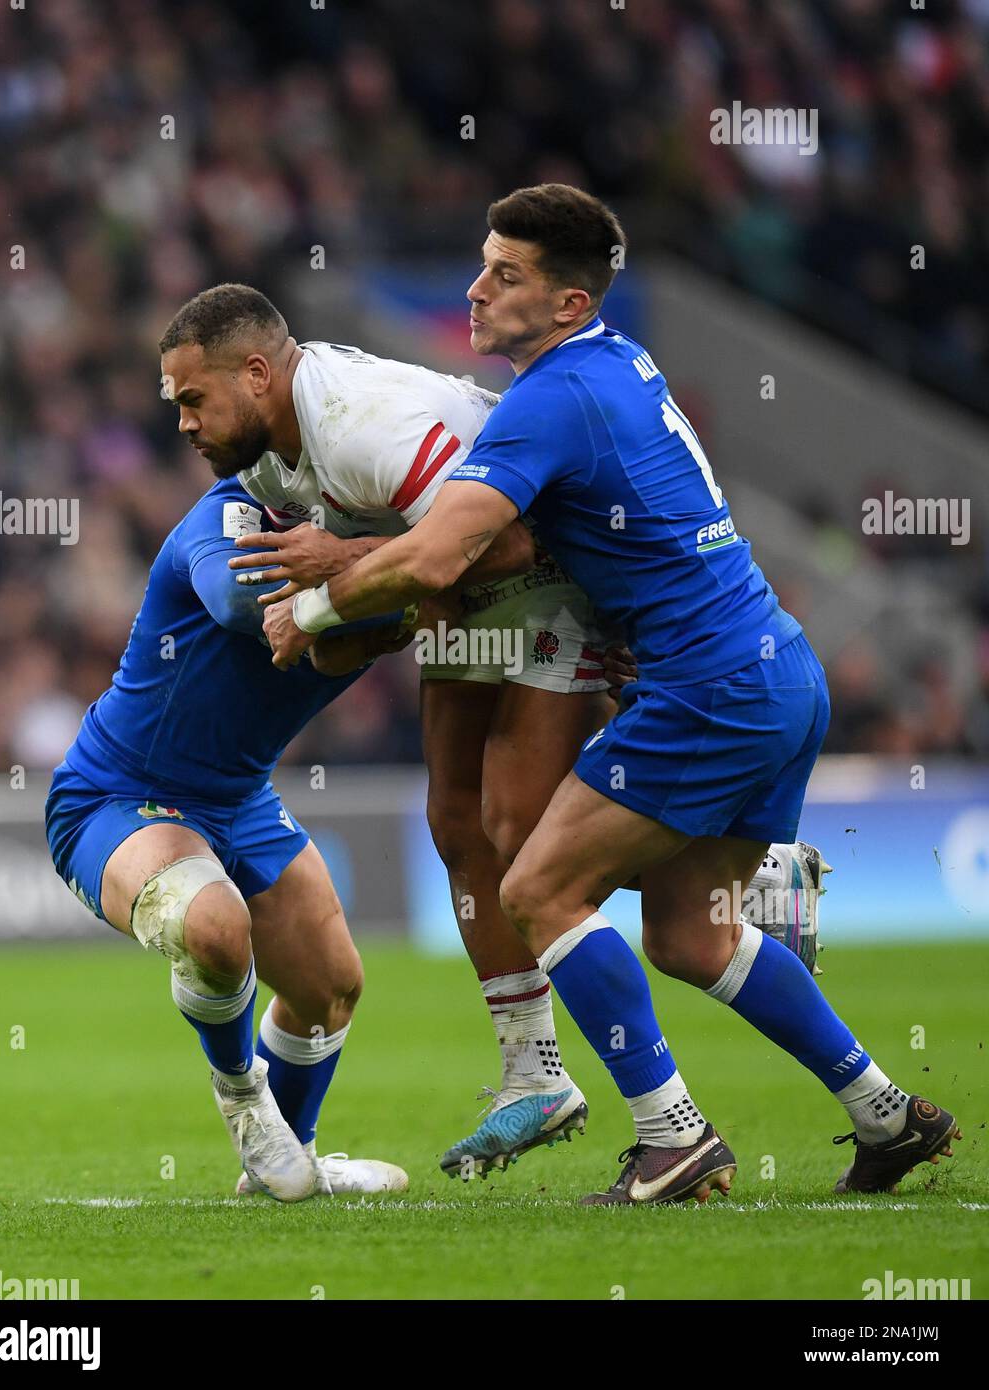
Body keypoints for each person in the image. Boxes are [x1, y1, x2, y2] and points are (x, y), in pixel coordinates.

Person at [262, 184, 960, 1205]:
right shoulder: (620, 366)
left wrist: (319, 598)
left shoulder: (549, 397)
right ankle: (885, 1112)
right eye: (482, 264)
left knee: (536, 886)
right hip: (775, 667)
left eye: (507, 275)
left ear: (568, 306)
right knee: (691, 933)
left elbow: (446, 550)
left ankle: (671, 1135)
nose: (476, 289)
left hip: (706, 688)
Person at [161, 285, 835, 1182]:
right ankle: (534, 1073)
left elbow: (509, 541)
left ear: (255, 374)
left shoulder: (363, 424)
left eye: (192, 399)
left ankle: (749, 874)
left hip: (541, 577)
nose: (182, 422)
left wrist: (338, 578)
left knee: (525, 839)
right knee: (456, 823)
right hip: (454, 594)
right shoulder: (262, 459)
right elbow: (424, 571)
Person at [46, 474, 417, 1201]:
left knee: (329, 987)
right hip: (118, 795)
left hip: (238, 798)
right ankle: (245, 1098)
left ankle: (292, 1160)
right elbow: (239, 602)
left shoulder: (403, 554)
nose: (188, 425)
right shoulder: (227, 514)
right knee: (215, 928)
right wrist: (393, 591)